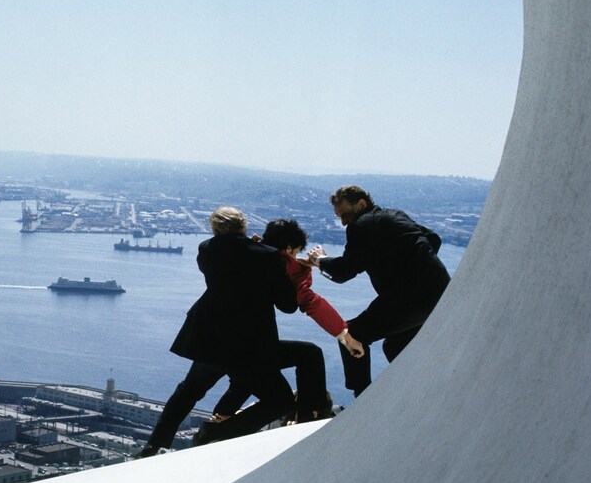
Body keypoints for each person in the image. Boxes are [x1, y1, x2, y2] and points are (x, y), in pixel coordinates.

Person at [136, 206, 299, 458]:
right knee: (281, 401)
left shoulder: (206, 250)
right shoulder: (267, 256)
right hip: (248, 344)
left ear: (215, 229)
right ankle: (217, 433)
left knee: (188, 391)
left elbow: (232, 266)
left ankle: (154, 444)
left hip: (210, 337)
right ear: (244, 226)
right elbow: (287, 305)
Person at [210, 219, 364, 426]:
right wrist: (345, 336)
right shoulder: (279, 265)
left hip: (219, 338)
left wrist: (299, 262)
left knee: (252, 375)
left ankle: (219, 419)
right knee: (310, 355)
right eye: (295, 252)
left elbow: (276, 257)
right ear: (289, 248)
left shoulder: (247, 253)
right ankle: (307, 418)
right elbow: (310, 301)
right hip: (250, 345)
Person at [307, 185, 450, 397]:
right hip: (441, 294)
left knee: (351, 335)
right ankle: (421, 392)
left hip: (407, 299)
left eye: (345, 214)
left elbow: (344, 271)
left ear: (361, 204)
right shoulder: (396, 215)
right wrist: (410, 264)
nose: (344, 222)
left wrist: (319, 260)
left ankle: (362, 400)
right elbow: (433, 239)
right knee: (394, 345)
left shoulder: (360, 227)